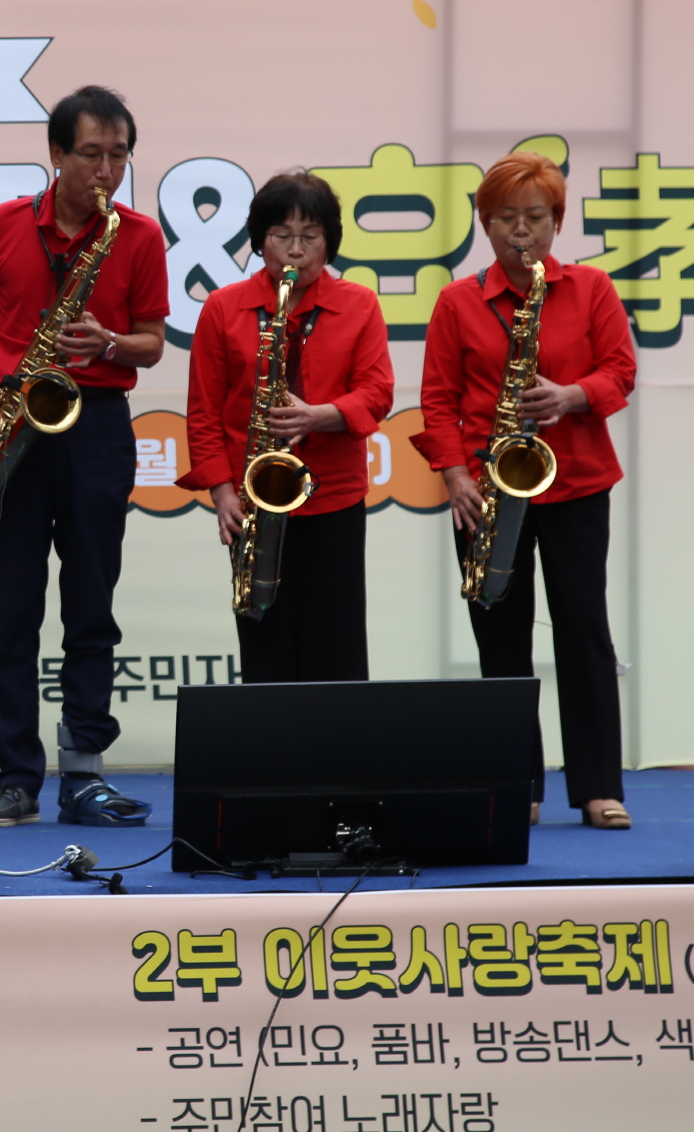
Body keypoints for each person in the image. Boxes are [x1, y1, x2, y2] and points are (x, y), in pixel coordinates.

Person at [0, 86, 167, 829]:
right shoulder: (4, 225)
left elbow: (153, 339)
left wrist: (111, 343)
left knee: (91, 607)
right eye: (91, 155)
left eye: (118, 155)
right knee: (12, 612)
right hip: (14, 419)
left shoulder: (139, 236)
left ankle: (83, 774)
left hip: (97, 422)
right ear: (55, 154)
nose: (106, 170)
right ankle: (16, 777)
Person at [412, 151, 637, 830]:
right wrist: (454, 476)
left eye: (535, 217)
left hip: (574, 484)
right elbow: (437, 397)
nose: (521, 232)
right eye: (505, 218)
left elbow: (620, 373)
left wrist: (571, 395)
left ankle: (599, 786)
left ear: (558, 221)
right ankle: (521, 785)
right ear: (484, 225)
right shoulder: (458, 300)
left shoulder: (591, 290)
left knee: (584, 631)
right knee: (501, 640)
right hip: (486, 489)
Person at [179, 172, 393, 683]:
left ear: (329, 242)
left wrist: (321, 415)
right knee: (264, 642)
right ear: (259, 240)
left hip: (333, 500)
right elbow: (204, 411)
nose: (295, 250)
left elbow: (377, 391)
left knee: (336, 645)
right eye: (281, 235)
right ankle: (271, 760)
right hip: (252, 500)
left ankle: (337, 761)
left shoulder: (359, 304)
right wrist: (223, 495)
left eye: (311, 236)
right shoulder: (222, 307)